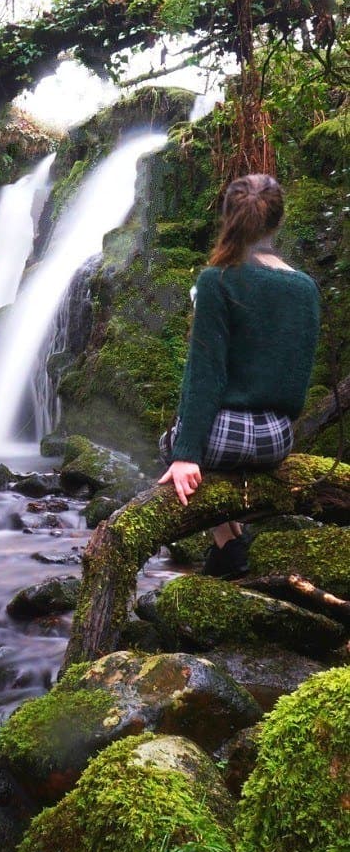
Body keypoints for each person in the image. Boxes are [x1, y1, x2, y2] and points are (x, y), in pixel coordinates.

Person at [158, 173, 320, 578]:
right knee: (210, 446)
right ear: (277, 222)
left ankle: (226, 542)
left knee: (171, 441)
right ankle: (234, 542)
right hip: (278, 438)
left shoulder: (217, 279)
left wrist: (184, 455)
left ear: (228, 216)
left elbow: (205, 375)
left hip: (223, 437)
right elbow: (296, 380)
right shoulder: (305, 287)